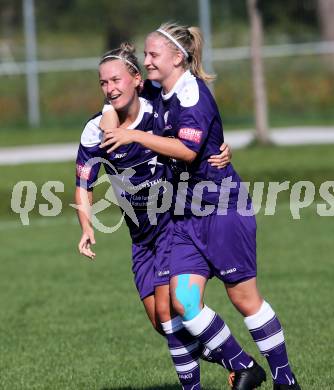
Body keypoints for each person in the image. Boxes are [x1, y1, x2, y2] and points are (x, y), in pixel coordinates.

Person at [101, 22, 301, 390]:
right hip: (185, 217)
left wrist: (134, 135)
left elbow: (188, 149)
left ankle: (286, 381)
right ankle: (245, 367)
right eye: (145, 54)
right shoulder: (162, 93)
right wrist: (118, 122)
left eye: (153, 55)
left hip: (221, 210)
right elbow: (113, 108)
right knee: (183, 302)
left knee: (244, 299)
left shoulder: (192, 95)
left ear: (178, 57)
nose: (146, 62)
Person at [75, 43, 233, 389]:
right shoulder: (95, 130)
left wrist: (219, 148)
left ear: (136, 80)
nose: (110, 88)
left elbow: (194, 134)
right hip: (140, 237)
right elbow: (83, 184)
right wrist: (86, 225)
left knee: (169, 312)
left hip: (169, 226)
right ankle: (231, 358)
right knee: (162, 324)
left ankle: (238, 365)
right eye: (103, 83)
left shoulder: (158, 112)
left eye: (116, 79)